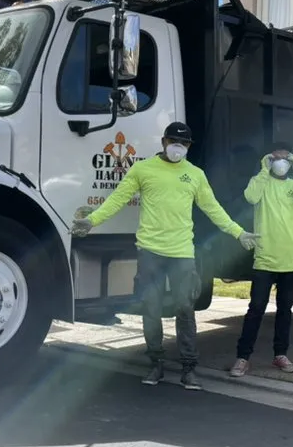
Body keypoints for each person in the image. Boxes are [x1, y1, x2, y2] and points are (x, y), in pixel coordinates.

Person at [72, 122, 259, 390]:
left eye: (183, 143)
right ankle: (155, 363)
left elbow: (213, 209)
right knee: (151, 309)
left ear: (189, 146)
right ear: (163, 142)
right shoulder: (143, 169)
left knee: (185, 310)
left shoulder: (195, 175)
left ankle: (188, 368)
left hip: (182, 253)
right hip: (150, 251)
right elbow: (118, 199)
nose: (177, 147)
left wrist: (238, 233)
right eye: (173, 141)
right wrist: (92, 221)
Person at [229, 142, 293, 378]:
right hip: (265, 257)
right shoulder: (261, 182)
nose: (280, 163)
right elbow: (250, 197)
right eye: (275, 158)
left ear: (291, 162)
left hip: (290, 258)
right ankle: (243, 357)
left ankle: (281, 354)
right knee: (256, 308)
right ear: (268, 160)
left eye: (285, 159)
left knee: (285, 309)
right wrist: (263, 171)